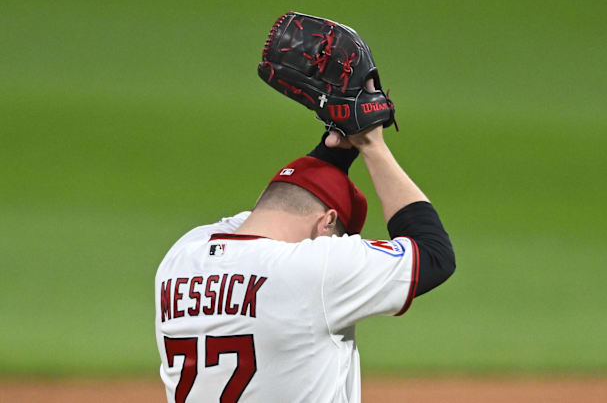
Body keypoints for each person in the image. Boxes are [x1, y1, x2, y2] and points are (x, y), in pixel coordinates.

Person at [154, 106, 455, 402]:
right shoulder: (314, 269)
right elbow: (434, 254)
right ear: (327, 223)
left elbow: (268, 213)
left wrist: (339, 132)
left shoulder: (180, 257)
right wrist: (371, 144)